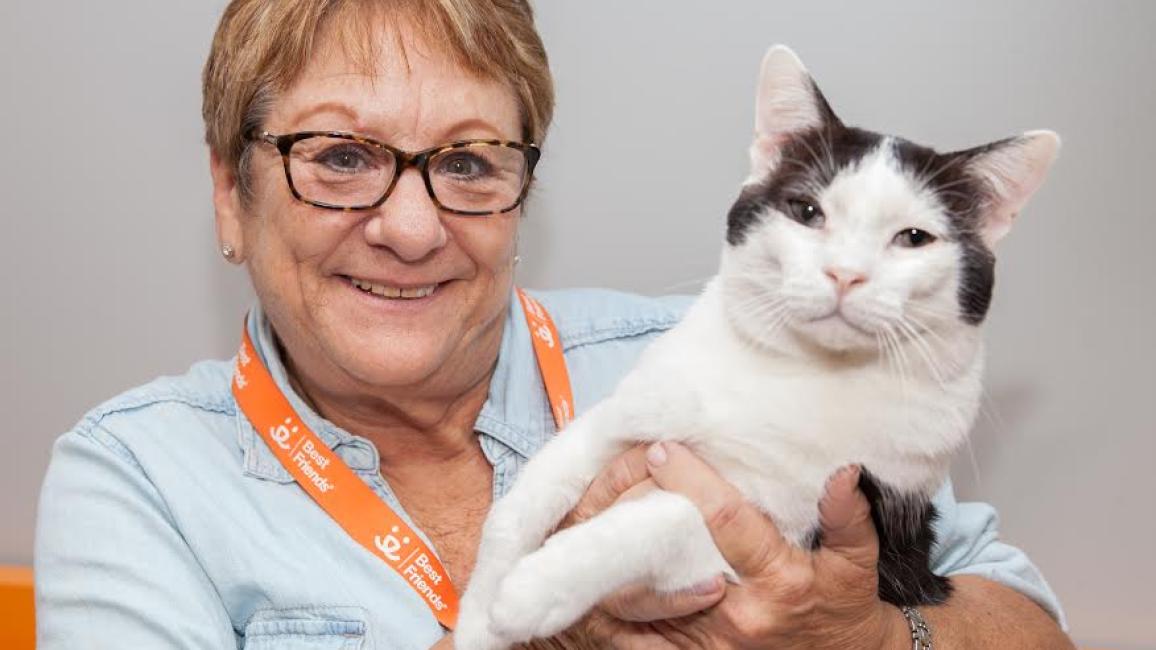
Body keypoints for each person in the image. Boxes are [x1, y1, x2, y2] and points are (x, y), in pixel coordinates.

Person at [34, 1, 1074, 648]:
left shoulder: (752, 353)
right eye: (339, 155)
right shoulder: (141, 477)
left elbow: (1026, 627)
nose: (408, 225)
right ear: (229, 196)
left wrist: (878, 639)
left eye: (468, 162)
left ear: (523, 193)